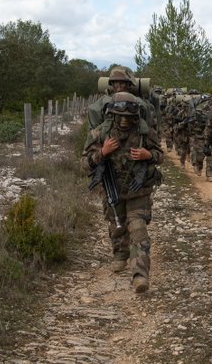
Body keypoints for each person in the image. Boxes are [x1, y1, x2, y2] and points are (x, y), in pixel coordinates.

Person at [83, 92, 164, 293]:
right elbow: (84, 164)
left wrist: (148, 155)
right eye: (120, 116)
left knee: (138, 230)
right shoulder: (100, 134)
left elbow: (160, 156)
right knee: (117, 225)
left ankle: (140, 275)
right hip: (113, 190)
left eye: (129, 117)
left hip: (139, 191)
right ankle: (120, 254)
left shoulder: (145, 133)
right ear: (112, 115)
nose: (124, 121)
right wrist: (102, 153)